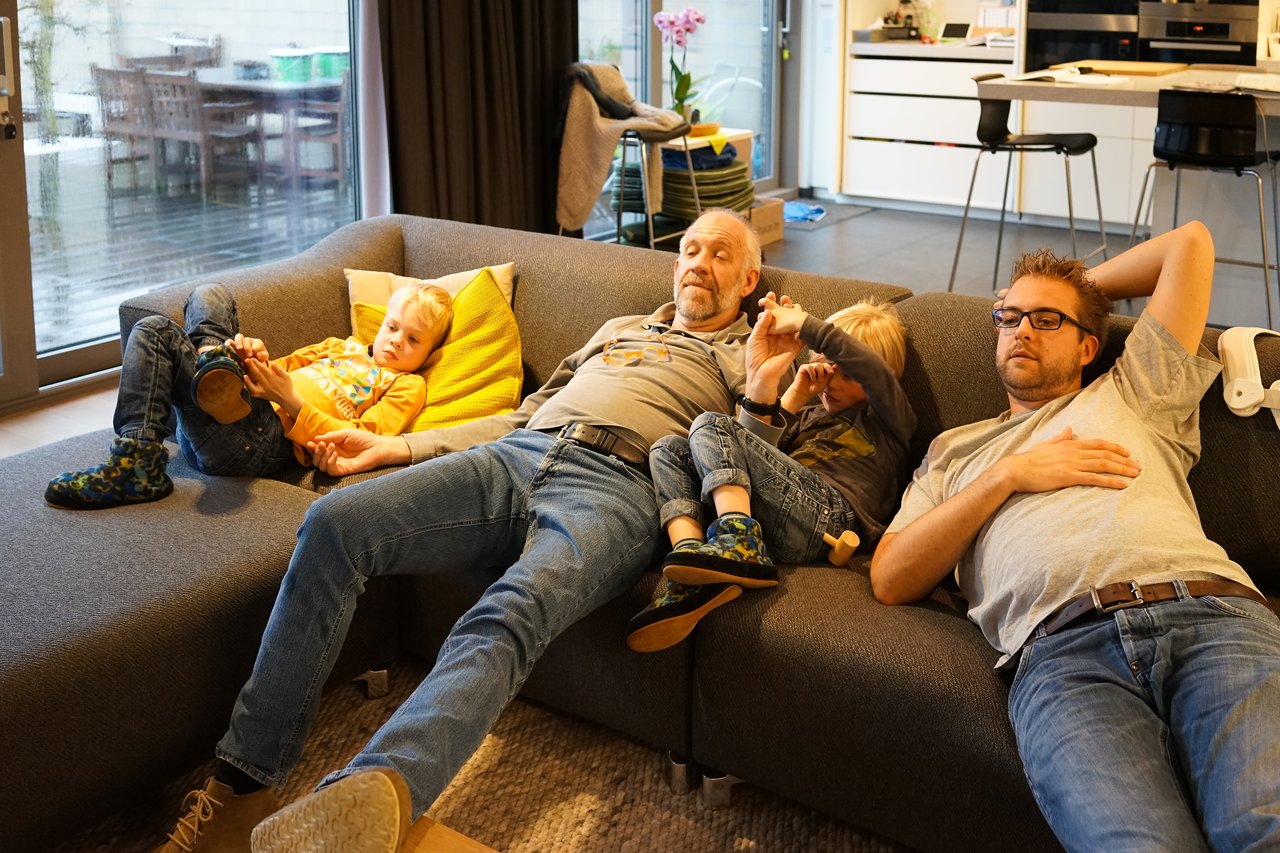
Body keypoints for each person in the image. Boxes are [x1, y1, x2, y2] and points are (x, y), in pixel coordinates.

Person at [153, 209, 803, 853]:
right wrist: (397, 449)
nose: (699, 262)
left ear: (748, 280)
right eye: (691, 248)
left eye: (721, 255)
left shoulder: (749, 354)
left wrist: (766, 381)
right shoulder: (620, 327)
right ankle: (241, 787)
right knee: (332, 523)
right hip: (515, 455)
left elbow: (743, 467)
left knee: (510, 611)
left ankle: (372, 798)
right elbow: (519, 414)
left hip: (624, 486)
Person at [870, 220, 1280, 851]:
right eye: (1008, 318)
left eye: (1047, 321)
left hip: (1212, 614)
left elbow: (1191, 243)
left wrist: (1072, 290)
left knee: (1262, 830)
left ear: (1091, 346)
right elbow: (891, 577)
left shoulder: (1139, 390)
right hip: (1062, 655)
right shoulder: (953, 455)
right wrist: (1009, 475)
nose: (1022, 331)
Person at [627, 297, 916, 652]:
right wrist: (791, 398)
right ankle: (693, 563)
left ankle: (738, 538)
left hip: (830, 518)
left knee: (711, 423)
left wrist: (808, 324)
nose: (830, 378)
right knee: (667, 447)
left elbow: (872, 369)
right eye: (824, 364)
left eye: (843, 369)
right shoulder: (809, 415)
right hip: (779, 513)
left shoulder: (889, 420)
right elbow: (746, 450)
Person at [45, 282, 452, 510]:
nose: (396, 341)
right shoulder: (339, 346)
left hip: (263, 439)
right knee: (207, 297)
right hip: (236, 411)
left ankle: (141, 458)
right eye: (393, 327)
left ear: (430, 352)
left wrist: (291, 400)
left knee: (157, 331)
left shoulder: (406, 386)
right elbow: (278, 369)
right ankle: (211, 369)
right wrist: (251, 357)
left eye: (413, 339)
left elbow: (363, 437)